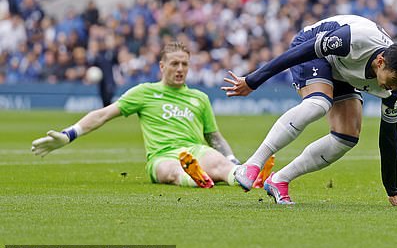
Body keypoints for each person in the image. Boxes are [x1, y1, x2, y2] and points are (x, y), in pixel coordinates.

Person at [222, 15, 397, 206]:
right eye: (394, 80)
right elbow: (299, 52)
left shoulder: (395, 90)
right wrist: (253, 80)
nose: (395, 86)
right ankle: (252, 164)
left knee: (347, 136)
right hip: (312, 49)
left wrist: (392, 189)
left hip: (342, 71)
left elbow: (389, 136)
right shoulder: (353, 40)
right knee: (319, 104)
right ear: (380, 62)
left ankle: (279, 180)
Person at [32, 41, 253, 189]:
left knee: (218, 161)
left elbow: (214, 136)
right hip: (162, 156)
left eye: (184, 64)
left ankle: (241, 176)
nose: (180, 69)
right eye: (174, 63)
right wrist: (69, 134)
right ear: (162, 66)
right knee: (171, 171)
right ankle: (195, 178)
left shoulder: (199, 98)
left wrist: (233, 160)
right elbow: (103, 114)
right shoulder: (144, 92)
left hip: (195, 150)